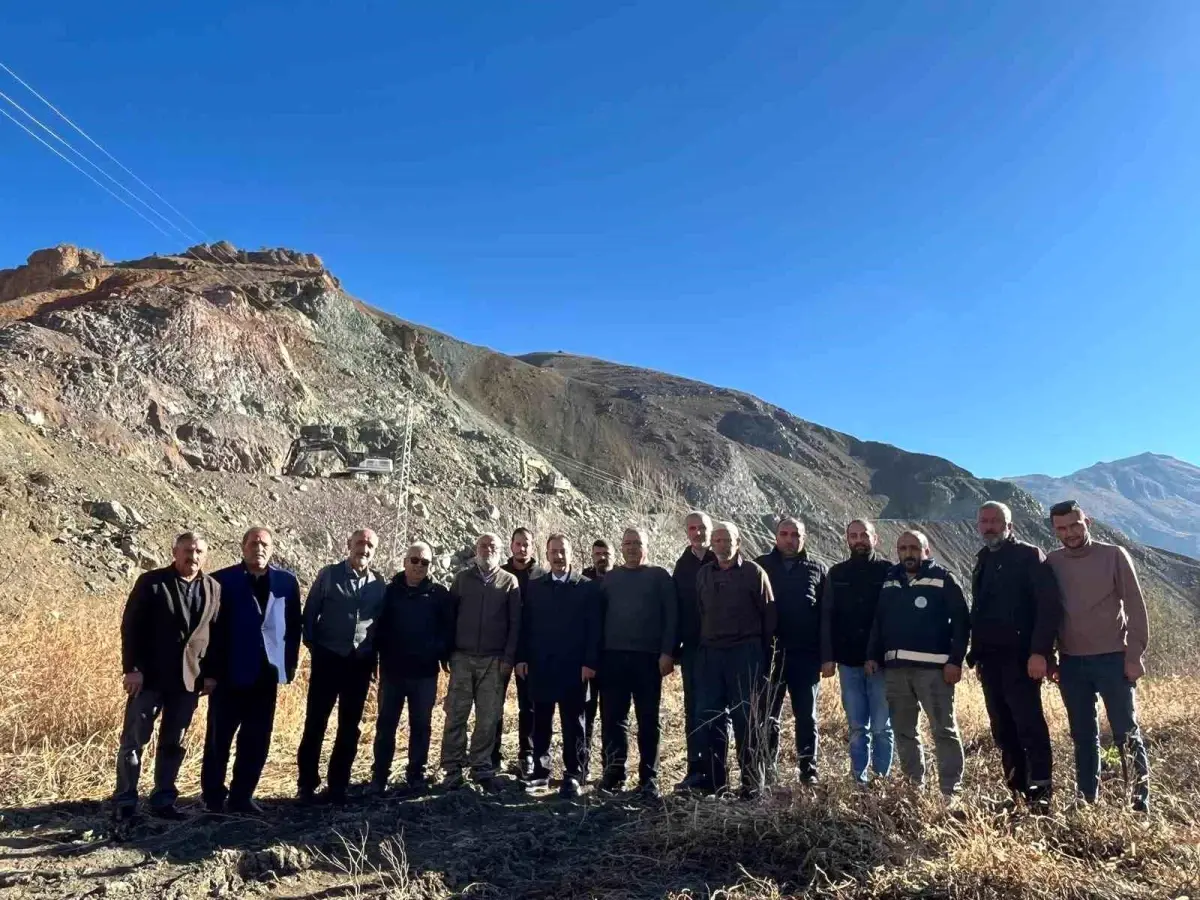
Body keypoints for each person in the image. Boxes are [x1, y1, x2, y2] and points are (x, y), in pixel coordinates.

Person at [1046, 500, 1151, 812]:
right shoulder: (1052, 562)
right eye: (1062, 528)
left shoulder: (1114, 555)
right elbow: (1048, 612)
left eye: (1075, 525)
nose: (1070, 533)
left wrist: (1134, 655)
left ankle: (1139, 804)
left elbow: (1135, 606)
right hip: (1071, 663)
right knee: (1083, 736)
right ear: (1054, 530)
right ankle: (1086, 800)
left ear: (1087, 522)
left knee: (1126, 734)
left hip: (1113, 659)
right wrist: (1051, 658)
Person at [113, 531, 221, 821]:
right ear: (175, 552)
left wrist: (210, 674)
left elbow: (214, 634)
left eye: (198, 551)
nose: (193, 556)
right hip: (149, 678)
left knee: (174, 744)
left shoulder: (212, 588)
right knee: (134, 741)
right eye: (187, 550)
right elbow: (131, 627)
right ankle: (125, 801)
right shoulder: (152, 582)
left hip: (188, 682)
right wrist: (132, 669)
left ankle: (163, 801)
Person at [969, 501, 1062, 810]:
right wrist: (978, 655)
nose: (990, 526)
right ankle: (1017, 791)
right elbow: (981, 610)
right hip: (991, 661)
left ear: (1009, 525)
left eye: (996, 521)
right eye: (985, 521)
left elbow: (1047, 608)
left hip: (1022, 659)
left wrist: (1040, 653)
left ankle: (1041, 792)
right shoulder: (982, 559)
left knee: (1029, 725)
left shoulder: (1029, 555)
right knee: (1002, 729)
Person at [202, 527, 301, 814]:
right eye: (254, 543)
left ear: (272, 549)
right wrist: (209, 672)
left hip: (266, 674)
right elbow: (209, 630)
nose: (259, 548)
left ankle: (242, 796)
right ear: (243, 547)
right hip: (228, 675)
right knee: (219, 739)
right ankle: (213, 798)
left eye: (265, 544)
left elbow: (294, 626)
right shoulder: (221, 580)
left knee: (256, 739)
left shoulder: (285, 582)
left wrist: (289, 665)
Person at [866, 530, 969, 797]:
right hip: (896, 671)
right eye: (903, 548)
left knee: (943, 730)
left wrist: (955, 661)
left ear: (926, 550)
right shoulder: (890, 581)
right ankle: (914, 788)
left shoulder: (943, 579)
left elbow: (961, 623)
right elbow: (879, 621)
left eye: (914, 548)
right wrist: (873, 655)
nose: (908, 553)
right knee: (903, 731)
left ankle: (950, 792)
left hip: (934, 671)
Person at [296, 529, 386, 804]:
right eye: (360, 542)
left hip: (359, 664)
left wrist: (374, 659)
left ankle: (338, 785)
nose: (364, 548)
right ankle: (307, 784)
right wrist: (315, 646)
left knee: (350, 727)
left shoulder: (378, 584)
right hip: (328, 659)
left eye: (370, 544)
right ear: (349, 545)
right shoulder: (329, 575)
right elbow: (310, 612)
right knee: (315, 723)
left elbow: (380, 624)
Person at [694, 521, 776, 798]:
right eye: (716, 540)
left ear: (738, 542)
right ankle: (715, 783)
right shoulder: (703, 574)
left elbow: (769, 616)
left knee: (747, 719)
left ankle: (752, 785)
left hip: (746, 653)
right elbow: (700, 612)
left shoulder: (754, 572)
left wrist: (762, 658)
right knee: (712, 718)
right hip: (712, 655)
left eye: (727, 539)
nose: (721, 545)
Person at [516, 534, 601, 798]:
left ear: (571, 553)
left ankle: (574, 774)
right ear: (547, 554)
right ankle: (540, 773)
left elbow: (593, 629)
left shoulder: (586, 587)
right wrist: (522, 657)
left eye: (563, 551)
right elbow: (525, 625)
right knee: (540, 721)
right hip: (541, 665)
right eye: (554, 551)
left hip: (574, 668)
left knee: (574, 723)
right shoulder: (536, 585)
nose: (558, 556)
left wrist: (589, 662)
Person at [598, 527, 677, 799]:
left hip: (648, 659)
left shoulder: (660, 577)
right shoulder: (610, 579)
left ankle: (649, 778)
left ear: (647, 546)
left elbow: (672, 618)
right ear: (621, 547)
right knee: (613, 719)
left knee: (648, 720)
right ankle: (613, 773)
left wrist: (668, 652)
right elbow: (598, 619)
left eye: (637, 543)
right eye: (627, 543)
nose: (632, 548)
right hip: (613, 657)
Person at [371, 541, 454, 795]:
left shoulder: (439, 594)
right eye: (415, 560)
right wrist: (376, 660)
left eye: (425, 562)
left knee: (421, 725)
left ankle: (416, 774)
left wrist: (438, 652)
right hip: (393, 671)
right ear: (405, 562)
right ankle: (380, 775)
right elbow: (377, 628)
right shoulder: (388, 592)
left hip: (425, 673)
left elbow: (448, 629)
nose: (419, 566)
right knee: (386, 724)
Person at [440, 532, 521, 790]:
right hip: (462, 658)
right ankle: (452, 768)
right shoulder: (462, 579)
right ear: (476, 549)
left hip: (493, 661)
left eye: (493, 546)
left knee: (488, 718)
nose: (488, 549)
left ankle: (481, 768)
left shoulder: (510, 582)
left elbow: (515, 624)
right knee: (456, 715)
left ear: (500, 551)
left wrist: (508, 657)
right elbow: (449, 618)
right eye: (483, 545)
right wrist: (448, 652)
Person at [819, 519, 894, 783]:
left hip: (882, 664)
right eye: (854, 535)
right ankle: (858, 781)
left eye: (864, 535)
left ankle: (881, 781)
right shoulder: (836, 574)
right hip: (848, 662)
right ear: (847, 540)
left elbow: (893, 617)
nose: (859, 540)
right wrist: (827, 657)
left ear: (875, 539)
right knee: (857, 727)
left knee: (882, 727)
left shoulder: (888, 572)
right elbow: (826, 616)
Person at [756, 516, 826, 784]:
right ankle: (767, 769)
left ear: (803, 538)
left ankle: (808, 770)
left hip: (805, 656)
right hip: (770, 655)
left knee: (806, 715)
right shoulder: (760, 566)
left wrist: (825, 655)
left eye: (795, 534)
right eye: (784, 533)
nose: (789, 538)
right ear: (776, 537)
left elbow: (826, 616)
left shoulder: (817, 569)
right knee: (767, 715)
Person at [672, 511, 718, 791]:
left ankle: (717, 773)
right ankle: (695, 770)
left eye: (703, 528)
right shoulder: (682, 565)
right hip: (691, 649)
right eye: (693, 528)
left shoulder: (722, 559)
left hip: (722, 648)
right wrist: (672, 648)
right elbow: (676, 609)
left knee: (718, 711)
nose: (698, 533)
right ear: (687, 532)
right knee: (693, 710)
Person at [496, 527, 544, 778]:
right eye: (518, 543)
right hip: (501, 649)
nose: (522, 548)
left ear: (532, 547)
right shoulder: (500, 574)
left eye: (526, 544)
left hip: (530, 652)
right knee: (494, 704)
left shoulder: (540, 577)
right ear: (511, 545)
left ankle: (528, 754)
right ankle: (492, 754)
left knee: (529, 706)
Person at [580, 537, 613, 777]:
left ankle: (610, 769)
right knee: (585, 714)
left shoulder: (621, 579)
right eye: (597, 554)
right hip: (587, 659)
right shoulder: (582, 581)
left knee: (612, 715)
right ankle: (582, 767)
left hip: (614, 658)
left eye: (606, 553)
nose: (602, 558)